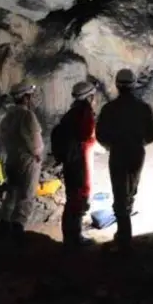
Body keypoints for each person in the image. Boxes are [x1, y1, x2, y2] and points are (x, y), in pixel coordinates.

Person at [96, 69, 153, 252]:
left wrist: (110, 145)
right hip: (137, 152)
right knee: (131, 188)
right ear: (134, 84)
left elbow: (100, 134)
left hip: (118, 152)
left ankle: (124, 237)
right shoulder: (143, 107)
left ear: (117, 85)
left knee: (119, 191)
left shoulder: (109, 109)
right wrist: (140, 142)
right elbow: (152, 133)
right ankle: (125, 233)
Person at [0, 81, 44, 240]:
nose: (32, 98)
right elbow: (34, 139)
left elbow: (3, 137)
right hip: (27, 161)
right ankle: (18, 227)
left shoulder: (8, 116)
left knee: (11, 192)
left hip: (11, 159)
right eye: (30, 96)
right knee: (26, 195)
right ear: (25, 97)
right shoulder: (27, 115)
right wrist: (37, 154)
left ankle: (4, 222)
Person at [55, 81, 98, 248]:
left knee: (72, 196)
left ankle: (69, 237)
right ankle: (75, 237)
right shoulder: (84, 113)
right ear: (89, 96)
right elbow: (86, 135)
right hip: (79, 159)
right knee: (79, 195)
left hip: (70, 159)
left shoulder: (71, 113)